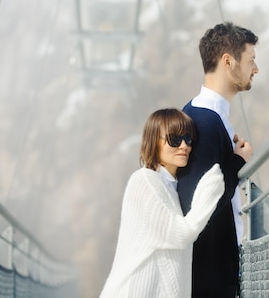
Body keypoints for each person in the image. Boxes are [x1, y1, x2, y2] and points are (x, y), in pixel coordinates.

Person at [99, 108, 224, 298]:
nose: (184, 146)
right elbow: (180, 234)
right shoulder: (144, 181)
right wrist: (214, 184)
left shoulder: (171, 189)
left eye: (188, 139)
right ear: (153, 141)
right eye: (174, 139)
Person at [178, 22, 259, 298]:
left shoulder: (207, 115)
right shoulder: (203, 120)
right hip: (207, 281)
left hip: (210, 277)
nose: (255, 69)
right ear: (228, 62)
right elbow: (201, 204)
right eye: (251, 61)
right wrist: (238, 161)